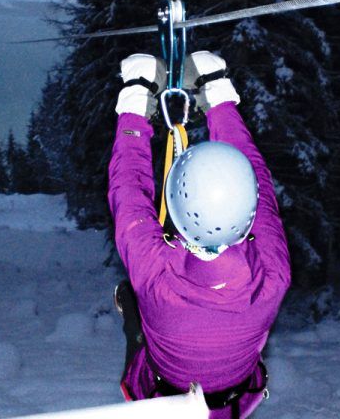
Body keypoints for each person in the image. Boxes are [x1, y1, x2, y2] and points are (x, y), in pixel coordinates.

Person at [108, 50, 291, 419]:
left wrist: (139, 104)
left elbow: (129, 187)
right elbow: (259, 183)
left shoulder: (157, 276)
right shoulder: (273, 276)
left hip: (162, 395)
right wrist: (139, 99)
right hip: (231, 401)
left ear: (176, 207)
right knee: (138, 297)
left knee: (135, 310)